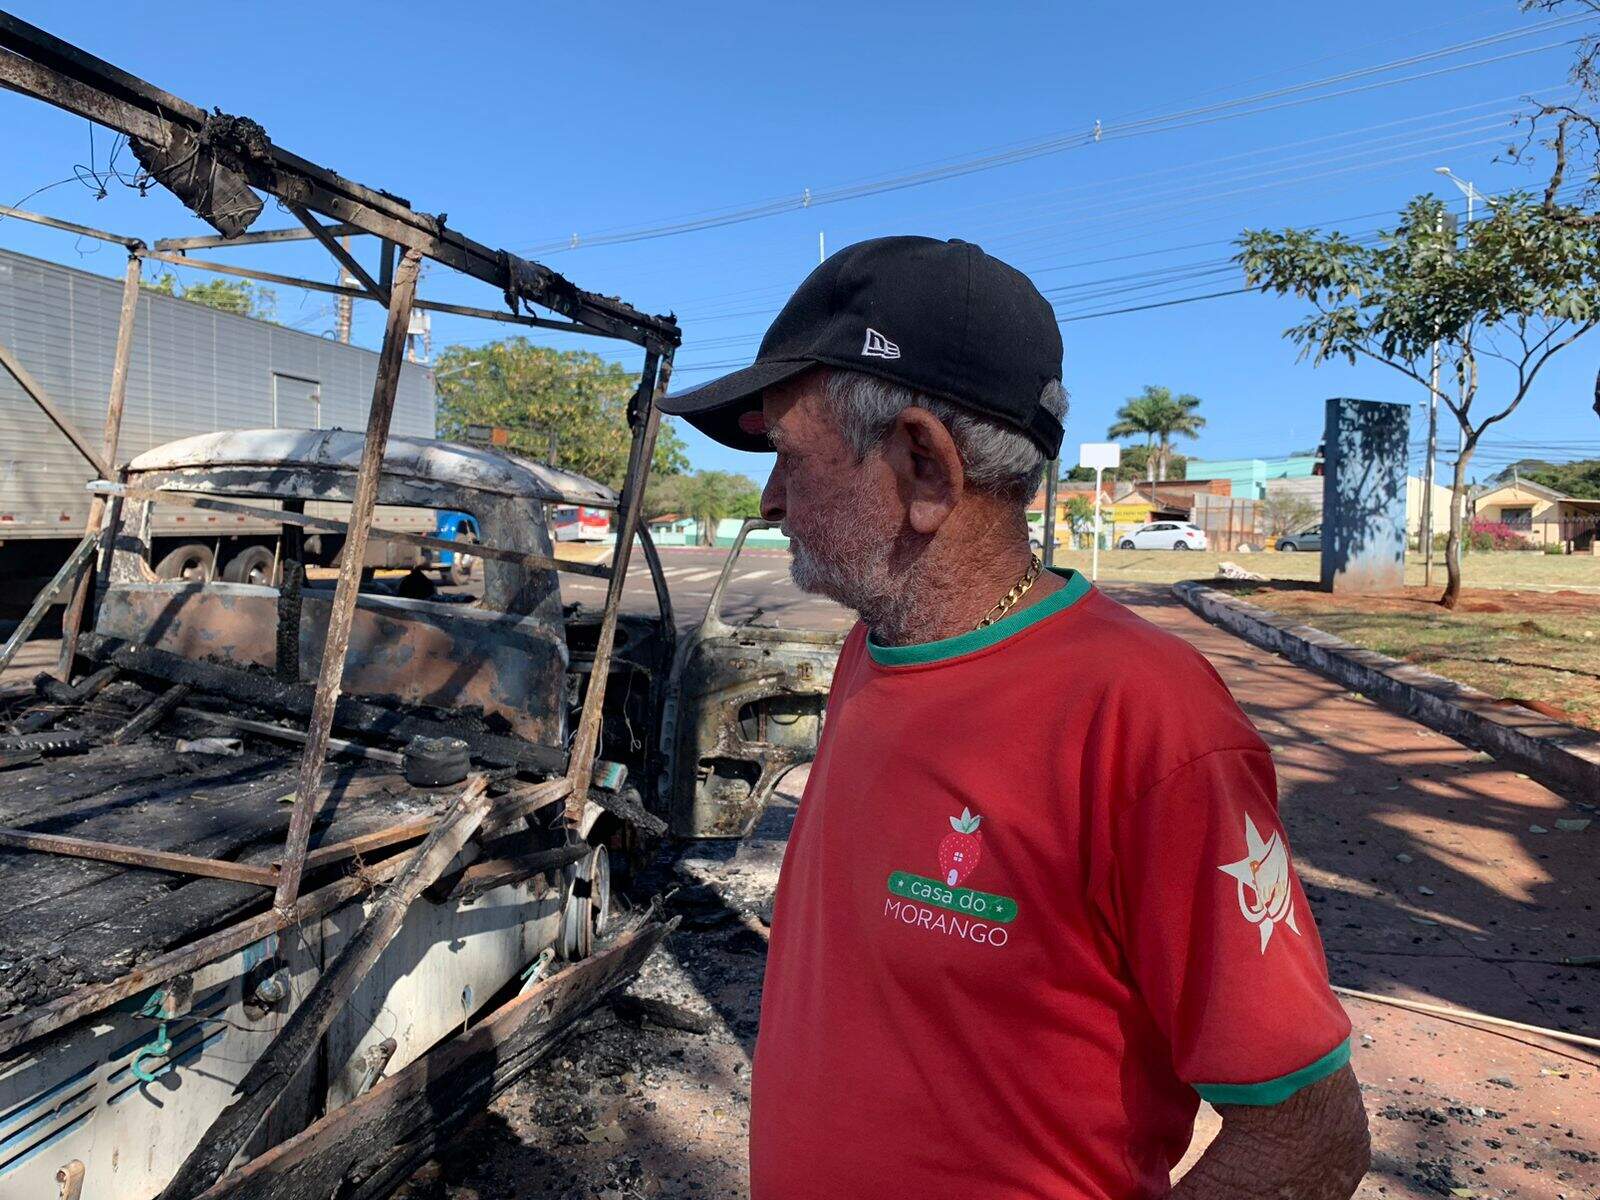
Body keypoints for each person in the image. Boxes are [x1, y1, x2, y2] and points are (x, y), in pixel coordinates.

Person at [659, 236, 1369, 1200]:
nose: (771, 499)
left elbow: (1308, 1138)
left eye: (787, 455)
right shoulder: (879, 643)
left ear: (923, 467)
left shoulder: (1145, 720)